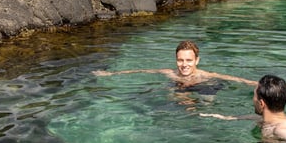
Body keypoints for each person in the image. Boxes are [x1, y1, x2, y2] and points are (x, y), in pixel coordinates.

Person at [203, 74, 286, 143]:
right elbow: (253, 117)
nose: (252, 99)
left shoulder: (281, 129)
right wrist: (224, 117)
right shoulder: (273, 119)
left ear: (261, 103)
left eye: (254, 95)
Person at [92, 40, 257, 87]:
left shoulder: (204, 75)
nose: (184, 65)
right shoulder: (170, 73)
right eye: (180, 60)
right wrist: (111, 74)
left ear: (197, 61)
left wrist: (257, 84)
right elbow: (141, 71)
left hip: (203, 88)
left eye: (189, 60)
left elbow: (234, 78)